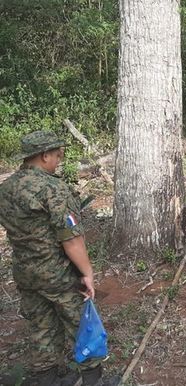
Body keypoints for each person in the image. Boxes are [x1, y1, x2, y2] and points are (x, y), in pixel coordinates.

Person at [0, 131, 112, 386]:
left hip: (25, 272)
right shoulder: (53, 189)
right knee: (78, 322)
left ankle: (46, 378)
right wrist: (87, 273)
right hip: (58, 274)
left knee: (41, 325)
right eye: (58, 155)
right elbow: (71, 240)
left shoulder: (6, 188)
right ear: (44, 155)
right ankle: (93, 380)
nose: (59, 160)